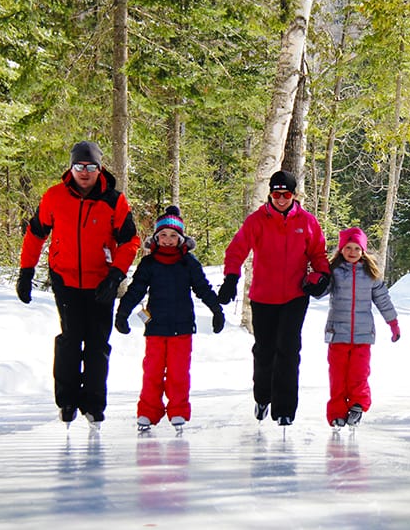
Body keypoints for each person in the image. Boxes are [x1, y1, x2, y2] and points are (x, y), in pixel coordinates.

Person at [16, 140, 141, 429]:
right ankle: (67, 401)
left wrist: (116, 275)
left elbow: (130, 241)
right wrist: (26, 272)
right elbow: (36, 233)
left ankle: (94, 405)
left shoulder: (114, 200)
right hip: (66, 278)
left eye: (91, 167)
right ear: (71, 168)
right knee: (71, 340)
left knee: (97, 344)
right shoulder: (54, 196)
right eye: (79, 166)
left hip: (101, 281)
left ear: (100, 168)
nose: (84, 172)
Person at [217, 170, 330, 426]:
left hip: (295, 295)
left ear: (294, 195)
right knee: (265, 349)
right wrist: (231, 278)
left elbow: (318, 253)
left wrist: (322, 275)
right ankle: (262, 397)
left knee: (288, 350)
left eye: (286, 195)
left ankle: (285, 409)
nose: (281, 199)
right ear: (270, 194)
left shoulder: (307, 221)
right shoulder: (257, 220)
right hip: (263, 296)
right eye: (276, 194)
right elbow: (236, 250)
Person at [114, 206, 225, 433]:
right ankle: (148, 411)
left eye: (173, 235)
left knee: (178, 374)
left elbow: (203, 288)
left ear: (180, 238)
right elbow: (136, 290)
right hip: (155, 328)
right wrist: (122, 313)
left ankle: (178, 411)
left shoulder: (188, 263)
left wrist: (216, 310)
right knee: (152, 372)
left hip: (182, 328)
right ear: (156, 238)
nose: (167, 240)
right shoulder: (149, 263)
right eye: (163, 235)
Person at [320, 227, 400, 429]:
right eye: (348, 247)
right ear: (341, 249)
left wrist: (393, 323)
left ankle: (357, 405)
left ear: (363, 250)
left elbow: (383, 299)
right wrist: (314, 280)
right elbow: (320, 291)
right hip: (337, 333)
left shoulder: (370, 274)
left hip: (363, 335)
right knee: (337, 377)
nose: (352, 252)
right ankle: (337, 413)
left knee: (359, 373)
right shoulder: (334, 271)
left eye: (357, 248)